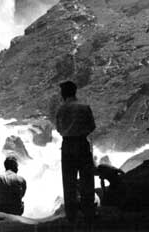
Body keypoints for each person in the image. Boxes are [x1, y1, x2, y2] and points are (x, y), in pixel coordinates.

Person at [56, 80, 96, 229]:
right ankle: (88, 213)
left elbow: (59, 129)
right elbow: (92, 126)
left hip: (67, 145)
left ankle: (71, 215)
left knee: (69, 181)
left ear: (63, 94)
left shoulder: (61, 109)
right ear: (75, 92)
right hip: (82, 144)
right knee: (86, 179)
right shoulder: (85, 107)